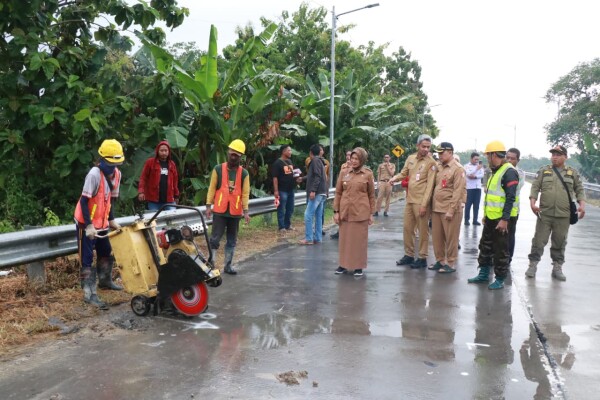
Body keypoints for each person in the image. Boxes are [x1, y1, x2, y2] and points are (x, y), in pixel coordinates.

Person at [74, 139, 125, 309]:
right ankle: (89, 293)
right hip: (86, 222)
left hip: (102, 221)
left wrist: (111, 219)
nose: (112, 167)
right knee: (87, 258)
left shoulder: (117, 175)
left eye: (115, 164)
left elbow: (110, 200)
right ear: (102, 159)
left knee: (106, 251)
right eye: (110, 164)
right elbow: (84, 201)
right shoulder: (94, 174)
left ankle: (105, 281)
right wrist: (88, 225)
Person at [525, 145, 585, 281]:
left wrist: (582, 205)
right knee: (538, 241)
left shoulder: (572, 173)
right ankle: (532, 265)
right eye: (553, 154)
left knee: (559, 243)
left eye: (558, 155)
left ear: (565, 157)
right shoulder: (544, 171)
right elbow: (535, 187)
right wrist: (532, 203)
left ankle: (557, 268)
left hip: (563, 215)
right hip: (545, 214)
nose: (554, 157)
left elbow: (579, 189)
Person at [467, 140, 520, 290]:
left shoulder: (509, 172)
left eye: (488, 156)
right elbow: (492, 197)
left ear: (494, 155)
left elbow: (510, 198)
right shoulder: (496, 170)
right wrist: (486, 215)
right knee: (485, 246)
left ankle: (500, 279)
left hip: (503, 219)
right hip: (491, 217)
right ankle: (483, 274)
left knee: (501, 250)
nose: (487, 159)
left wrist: (504, 219)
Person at [389, 134, 437, 269]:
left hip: (421, 202)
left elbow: (430, 186)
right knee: (407, 228)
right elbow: (403, 173)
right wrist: (394, 178)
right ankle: (409, 255)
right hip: (410, 200)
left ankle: (422, 257)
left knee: (423, 231)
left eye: (428, 147)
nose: (426, 149)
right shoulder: (410, 158)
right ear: (417, 146)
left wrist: (424, 205)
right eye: (423, 146)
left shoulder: (431, 163)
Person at [205, 139, 251, 275]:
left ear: (240, 157)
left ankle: (228, 265)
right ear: (228, 153)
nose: (233, 157)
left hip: (235, 212)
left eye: (236, 155)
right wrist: (208, 205)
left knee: (232, 240)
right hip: (220, 211)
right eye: (232, 154)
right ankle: (211, 263)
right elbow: (212, 188)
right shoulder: (218, 169)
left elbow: (245, 193)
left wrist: (246, 211)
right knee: (215, 239)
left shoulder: (244, 173)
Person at [333, 147, 375, 276]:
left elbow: (371, 195)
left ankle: (358, 266)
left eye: (357, 159)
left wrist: (371, 214)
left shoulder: (367, 174)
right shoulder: (344, 172)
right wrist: (336, 211)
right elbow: (338, 192)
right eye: (352, 158)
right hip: (345, 212)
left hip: (361, 212)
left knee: (358, 241)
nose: (354, 161)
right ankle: (343, 265)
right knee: (344, 240)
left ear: (362, 160)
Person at [429, 142, 466, 273]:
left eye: (442, 153)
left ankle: (450, 263)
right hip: (436, 208)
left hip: (450, 209)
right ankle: (440, 260)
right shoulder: (438, 167)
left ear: (450, 152)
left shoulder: (458, 169)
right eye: (438, 153)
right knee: (437, 237)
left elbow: (458, 191)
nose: (439, 155)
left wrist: (451, 210)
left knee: (451, 238)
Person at [137, 140, 180, 211]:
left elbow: (175, 181)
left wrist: (176, 195)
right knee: (154, 217)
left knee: (172, 217)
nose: (164, 153)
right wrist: (141, 192)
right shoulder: (150, 162)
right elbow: (143, 177)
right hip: (153, 200)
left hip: (169, 200)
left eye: (166, 151)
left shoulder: (172, 164)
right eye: (161, 151)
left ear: (169, 152)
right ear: (157, 151)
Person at [299, 144, 328, 245]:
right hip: (322, 192)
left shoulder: (314, 161)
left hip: (317, 192)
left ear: (310, 153)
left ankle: (309, 238)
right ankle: (318, 238)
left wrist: (313, 190)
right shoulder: (321, 161)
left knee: (308, 215)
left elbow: (317, 176)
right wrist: (303, 178)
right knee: (318, 216)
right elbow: (315, 175)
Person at [272, 144, 301, 235]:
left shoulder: (289, 161)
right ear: (283, 151)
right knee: (281, 208)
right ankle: (281, 226)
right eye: (289, 150)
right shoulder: (277, 163)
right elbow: (275, 178)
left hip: (290, 189)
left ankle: (287, 224)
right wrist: (276, 190)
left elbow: (291, 173)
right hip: (282, 190)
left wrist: (297, 178)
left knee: (290, 208)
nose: (290, 152)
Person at [505, 147, 525, 263]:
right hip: (498, 209)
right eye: (507, 157)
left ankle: (508, 258)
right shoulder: (500, 170)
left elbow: (513, 189)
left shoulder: (520, 173)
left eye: (512, 158)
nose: (509, 160)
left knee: (510, 235)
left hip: (512, 210)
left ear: (518, 160)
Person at [330, 150, 352, 240]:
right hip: (344, 191)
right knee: (342, 213)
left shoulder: (355, 166)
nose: (348, 157)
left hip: (352, 193)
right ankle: (340, 232)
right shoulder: (343, 166)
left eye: (350, 155)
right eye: (347, 155)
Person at [464, 152, 484, 226]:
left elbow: (482, 174)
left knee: (476, 205)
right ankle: (466, 220)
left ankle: (475, 220)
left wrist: (475, 176)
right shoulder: (466, 166)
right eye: (475, 159)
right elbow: (468, 174)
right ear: (471, 158)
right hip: (469, 188)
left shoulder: (480, 166)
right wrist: (476, 169)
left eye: (478, 159)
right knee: (468, 205)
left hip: (477, 188)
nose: (476, 161)